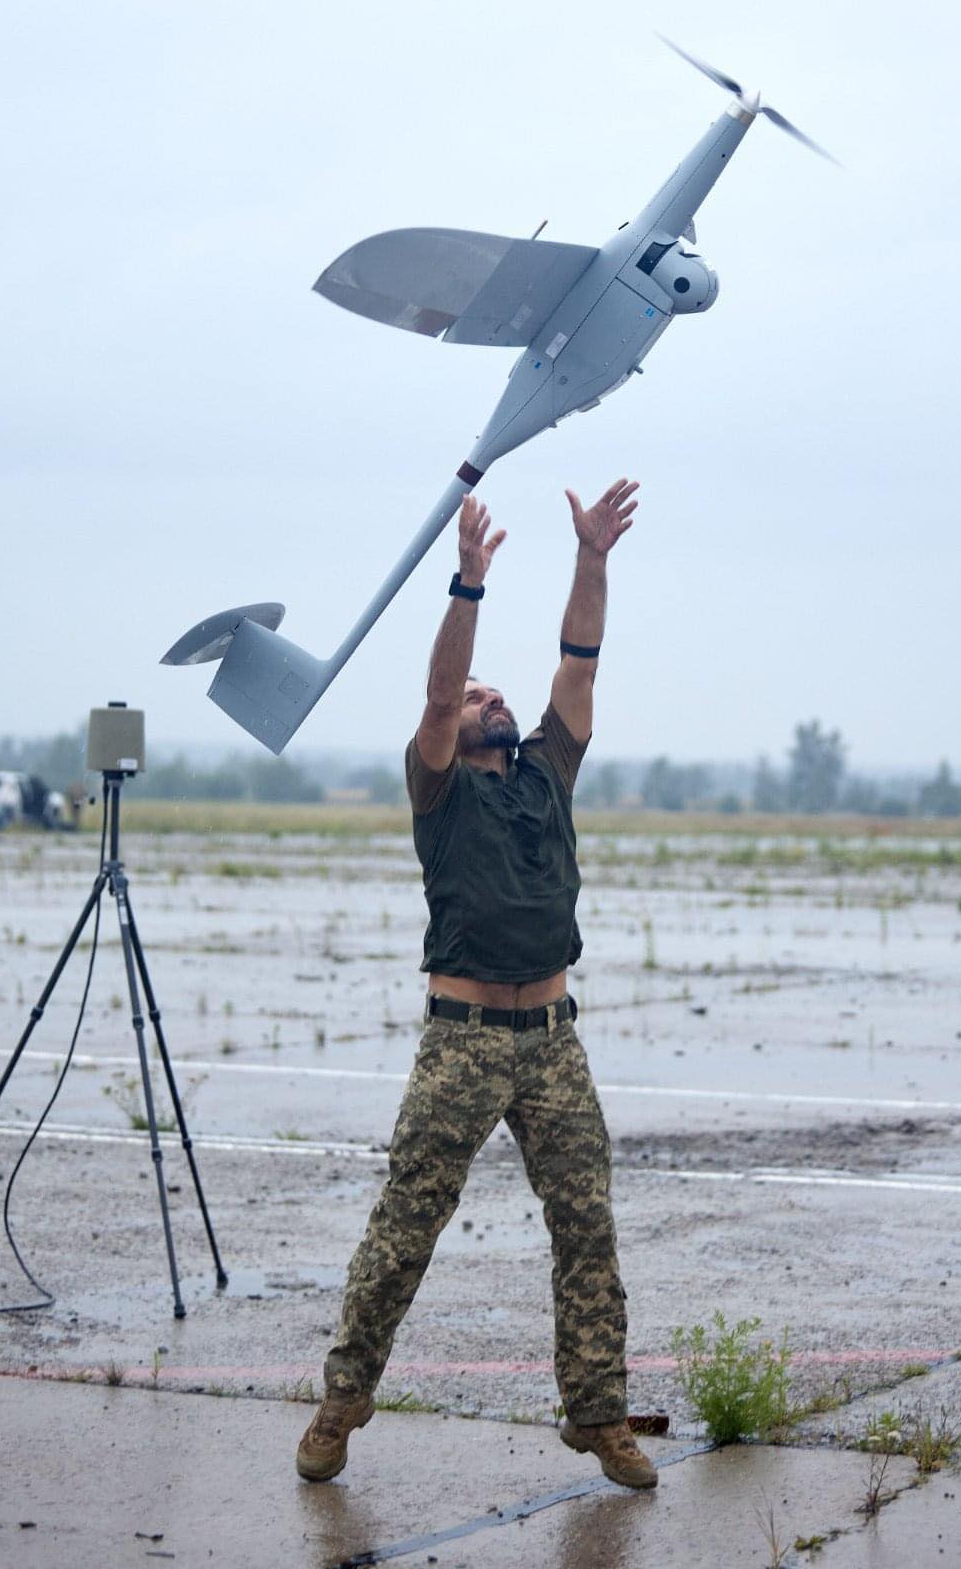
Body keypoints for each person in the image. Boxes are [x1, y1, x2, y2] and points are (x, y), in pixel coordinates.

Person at [296, 478, 657, 1490]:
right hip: (461, 1039)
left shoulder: (549, 769)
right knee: (405, 1223)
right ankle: (343, 1399)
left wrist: (591, 558)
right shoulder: (438, 784)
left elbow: (579, 660)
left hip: (552, 1037)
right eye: (476, 697)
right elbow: (435, 689)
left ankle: (598, 1414)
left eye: (496, 695)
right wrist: (468, 582)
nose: (490, 699)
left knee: (587, 1223)